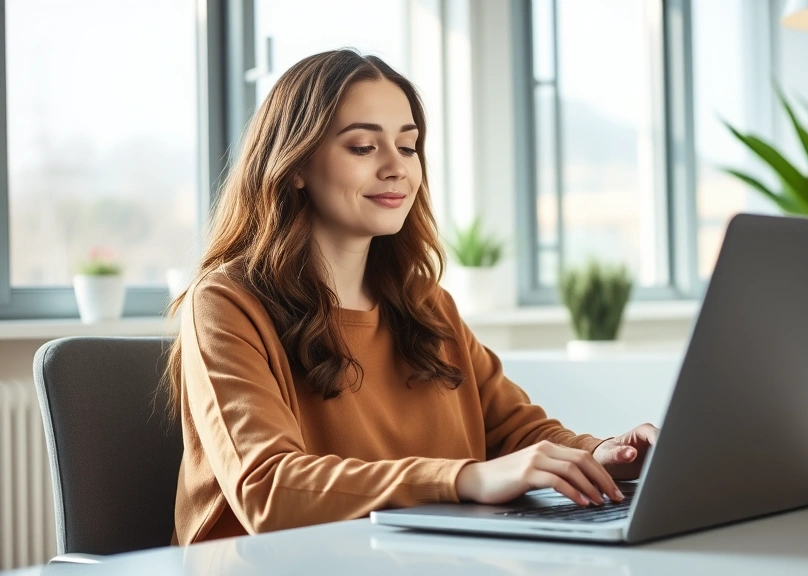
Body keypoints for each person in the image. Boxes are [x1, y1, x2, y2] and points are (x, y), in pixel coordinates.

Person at [163, 49, 659, 545]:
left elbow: (516, 432)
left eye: (408, 146)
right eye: (362, 147)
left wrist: (600, 456)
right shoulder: (226, 304)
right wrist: (465, 479)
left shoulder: (426, 303)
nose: (395, 167)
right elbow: (267, 489)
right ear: (295, 164)